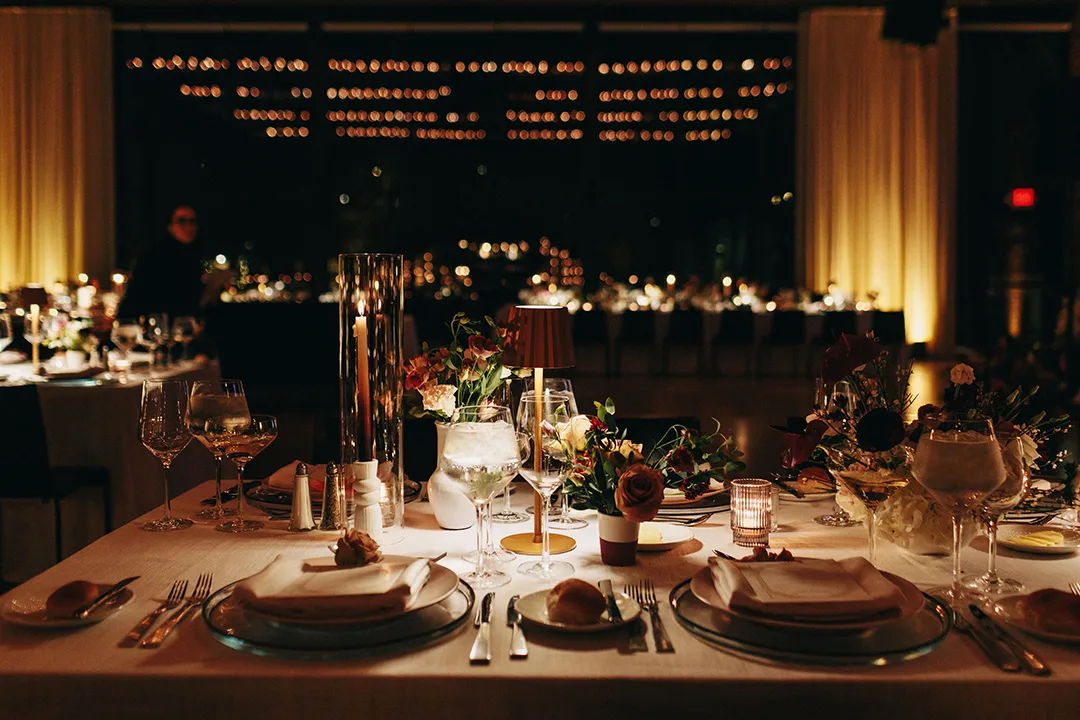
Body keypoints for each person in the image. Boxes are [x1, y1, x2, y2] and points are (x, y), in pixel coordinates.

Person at [117, 205, 230, 321]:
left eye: (192, 221)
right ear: (170, 226)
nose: (189, 226)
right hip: (153, 324)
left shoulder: (193, 255)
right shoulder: (156, 256)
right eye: (182, 221)